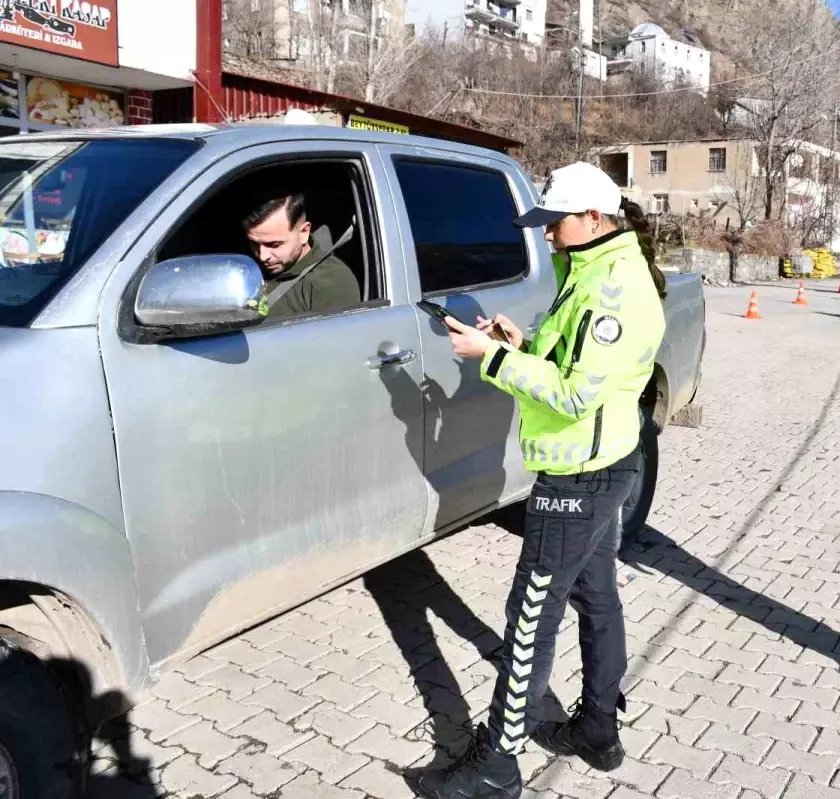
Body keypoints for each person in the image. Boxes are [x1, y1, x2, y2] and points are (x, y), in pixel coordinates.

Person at [415, 162, 667, 799]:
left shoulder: (612, 290)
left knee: (532, 611)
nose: (548, 236)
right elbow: (575, 363)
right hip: (603, 462)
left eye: (555, 223)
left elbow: (575, 396)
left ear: (592, 218)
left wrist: (491, 358)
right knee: (596, 596)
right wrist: (519, 344)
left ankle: (498, 763)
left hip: (579, 472)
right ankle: (599, 733)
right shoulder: (591, 268)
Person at [242, 192, 359, 319]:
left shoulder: (330, 282)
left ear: (304, 232)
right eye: (254, 244)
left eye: (274, 245)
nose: (263, 256)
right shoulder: (245, 268)